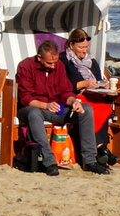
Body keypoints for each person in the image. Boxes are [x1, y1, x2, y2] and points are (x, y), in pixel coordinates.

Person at [16, 38, 110, 176]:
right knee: (34, 114)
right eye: (49, 63)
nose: (53, 66)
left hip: (55, 107)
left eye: (54, 62)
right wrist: (45, 105)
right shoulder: (26, 66)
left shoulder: (59, 66)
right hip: (32, 106)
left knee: (86, 109)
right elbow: (25, 98)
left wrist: (74, 102)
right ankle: (49, 162)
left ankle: (90, 161)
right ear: (39, 57)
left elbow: (65, 92)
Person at [62, 28, 107, 93]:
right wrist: (83, 84)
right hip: (74, 97)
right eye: (81, 47)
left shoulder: (91, 61)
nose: (84, 51)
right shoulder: (63, 60)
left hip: (94, 95)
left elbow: (99, 80)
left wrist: (103, 85)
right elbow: (61, 87)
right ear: (71, 45)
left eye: (86, 47)